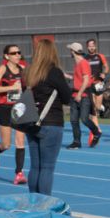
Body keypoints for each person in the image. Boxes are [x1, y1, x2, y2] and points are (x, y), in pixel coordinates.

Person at [21, 38, 73, 195]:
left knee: (35, 166)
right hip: (51, 122)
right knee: (47, 167)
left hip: (31, 122)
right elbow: (66, 98)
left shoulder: (29, 72)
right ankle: (44, 204)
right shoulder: (54, 72)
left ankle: (33, 201)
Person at [0, 43, 29, 185]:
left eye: (19, 52)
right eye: (14, 53)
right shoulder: (2, 68)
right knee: (6, 144)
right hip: (4, 108)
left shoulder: (23, 69)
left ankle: (19, 173)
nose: (18, 55)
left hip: (19, 108)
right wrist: (11, 87)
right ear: (7, 56)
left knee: (20, 141)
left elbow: (27, 88)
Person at [66, 42, 103, 149]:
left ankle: (96, 132)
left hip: (83, 95)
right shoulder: (77, 64)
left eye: (71, 50)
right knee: (73, 120)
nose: (70, 52)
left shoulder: (83, 63)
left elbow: (86, 80)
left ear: (73, 51)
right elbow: (79, 79)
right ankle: (76, 142)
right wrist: (67, 76)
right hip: (75, 94)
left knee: (84, 119)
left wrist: (79, 94)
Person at [84, 38, 109, 124]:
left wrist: (104, 73)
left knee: (98, 107)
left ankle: (100, 108)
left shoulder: (100, 56)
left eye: (93, 46)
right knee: (93, 107)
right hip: (89, 84)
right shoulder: (85, 58)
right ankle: (96, 127)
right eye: (90, 46)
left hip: (98, 84)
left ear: (95, 46)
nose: (91, 47)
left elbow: (106, 67)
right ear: (87, 47)